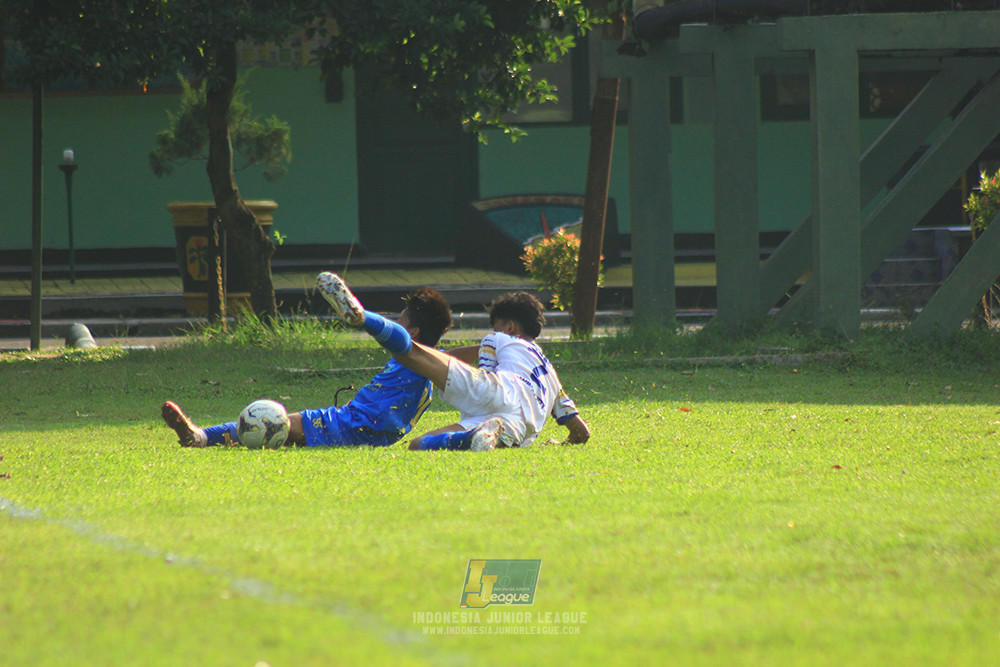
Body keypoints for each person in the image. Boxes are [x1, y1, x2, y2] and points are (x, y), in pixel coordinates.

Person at [316, 272, 590, 451]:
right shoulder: (551, 377)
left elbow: (485, 373)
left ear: (508, 326)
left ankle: (363, 316)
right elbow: (581, 432)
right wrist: (559, 443)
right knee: (419, 445)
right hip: (521, 426)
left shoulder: (499, 339)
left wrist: (443, 370)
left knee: (409, 353)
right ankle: (474, 438)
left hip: (497, 391)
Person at [160, 287, 453, 448]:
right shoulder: (429, 364)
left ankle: (200, 437)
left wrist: (362, 317)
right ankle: (202, 436)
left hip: (354, 428)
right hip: (362, 426)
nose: (396, 325)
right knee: (286, 430)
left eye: (399, 320)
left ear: (412, 333)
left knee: (276, 422)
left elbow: (400, 340)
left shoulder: (413, 355)